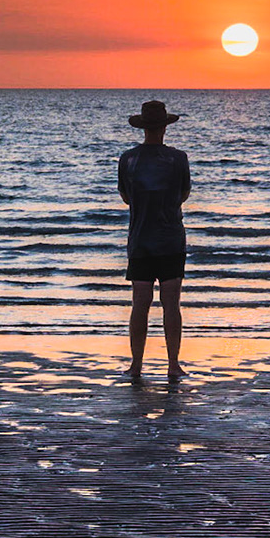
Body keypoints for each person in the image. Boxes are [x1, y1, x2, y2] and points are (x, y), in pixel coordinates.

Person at [118, 99, 191, 381]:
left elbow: (125, 197)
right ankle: (173, 365)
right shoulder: (177, 158)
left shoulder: (128, 159)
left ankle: (136, 365)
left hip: (140, 239)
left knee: (140, 303)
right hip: (171, 238)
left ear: (143, 127)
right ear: (164, 127)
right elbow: (184, 194)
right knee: (171, 303)